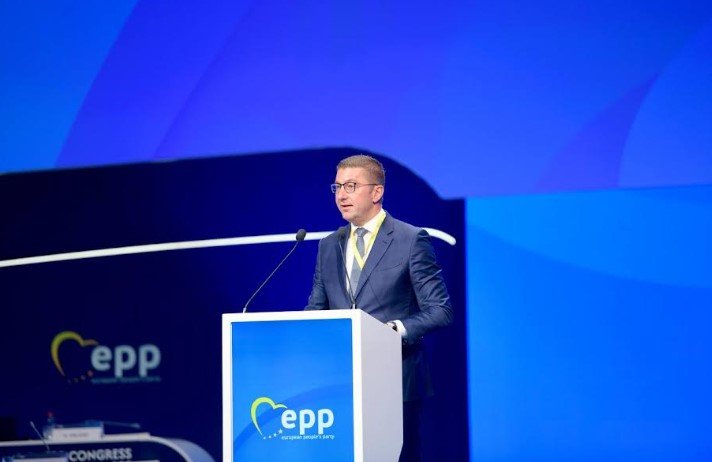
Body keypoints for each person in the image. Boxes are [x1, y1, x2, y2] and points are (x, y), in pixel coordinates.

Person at [305, 154, 453, 462]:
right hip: (340, 383)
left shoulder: (410, 239)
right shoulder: (329, 245)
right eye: (337, 187)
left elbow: (440, 309)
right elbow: (316, 310)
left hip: (396, 380)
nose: (341, 195)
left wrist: (394, 330)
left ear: (376, 192)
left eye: (351, 186)